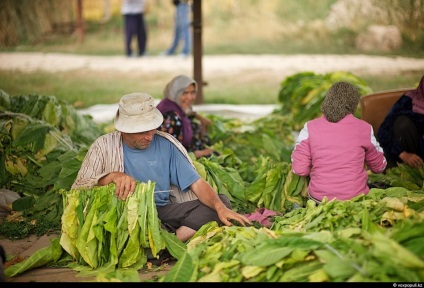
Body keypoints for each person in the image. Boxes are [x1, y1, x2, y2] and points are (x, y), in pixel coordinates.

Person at [71, 92, 251, 242]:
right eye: (142, 132)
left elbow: (196, 183)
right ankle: (155, 240)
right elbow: (78, 188)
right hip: (124, 216)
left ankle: (169, 242)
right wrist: (111, 177)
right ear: (124, 130)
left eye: (151, 129)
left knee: (220, 202)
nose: (150, 136)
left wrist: (220, 208)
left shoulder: (166, 144)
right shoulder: (102, 147)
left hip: (164, 211)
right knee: (113, 232)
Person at [291, 81, 387, 204]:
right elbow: (380, 167)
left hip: (319, 200)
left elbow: (299, 169)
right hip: (355, 199)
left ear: (327, 101)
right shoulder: (364, 129)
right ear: (353, 105)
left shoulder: (310, 128)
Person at [156, 74, 215, 159]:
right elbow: (171, 154)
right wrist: (201, 153)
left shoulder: (172, 103)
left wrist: (200, 118)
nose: (190, 97)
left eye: (193, 92)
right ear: (175, 93)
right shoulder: (172, 116)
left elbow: (189, 113)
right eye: (185, 93)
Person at [377, 76, 424, 169]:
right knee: (402, 123)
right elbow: (383, 131)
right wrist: (403, 154)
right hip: (410, 156)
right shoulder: (409, 100)